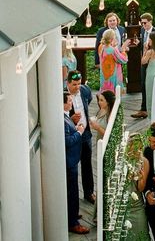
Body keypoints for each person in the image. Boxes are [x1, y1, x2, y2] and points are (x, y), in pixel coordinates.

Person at [66, 70, 95, 203]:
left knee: (87, 164)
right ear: (68, 83)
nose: (77, 87)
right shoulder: (63, 96)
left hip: (86, 133)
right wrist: (71, 119)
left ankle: (89, 192)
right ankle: (72, 199)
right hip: (72, 136)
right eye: (74, 85)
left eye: (79, 84)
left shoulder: (84, 90)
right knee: (72, 167)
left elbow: (89, 99)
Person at [64, 92, 90, 235]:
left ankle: (72, 213)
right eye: (69, 101)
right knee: (72, 192)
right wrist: (79, 132)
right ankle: (73, 222)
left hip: (72, 160)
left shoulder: (66, 115)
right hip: (69, 162)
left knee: (73, 191)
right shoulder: (62, 119)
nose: (71, 103)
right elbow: (67, 141)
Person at [131, 12, 155, 119]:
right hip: (144, 62)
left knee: (152, 86)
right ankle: (144, 109)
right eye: (142, 23)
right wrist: (139, 44)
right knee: (143, 85)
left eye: (145, 23)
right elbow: (143, 46)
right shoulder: (142, 31)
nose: (143, 25)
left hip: (153, 63)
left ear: (150, 22)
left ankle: (152, 108)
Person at [124, 134, 151, 240]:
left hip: (136, 206)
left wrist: (142, 178)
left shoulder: (144, 162)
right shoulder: (121, 160)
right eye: (135, 148)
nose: (138, 151)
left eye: (140, 148)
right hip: (122, 203)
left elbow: (141, 189)